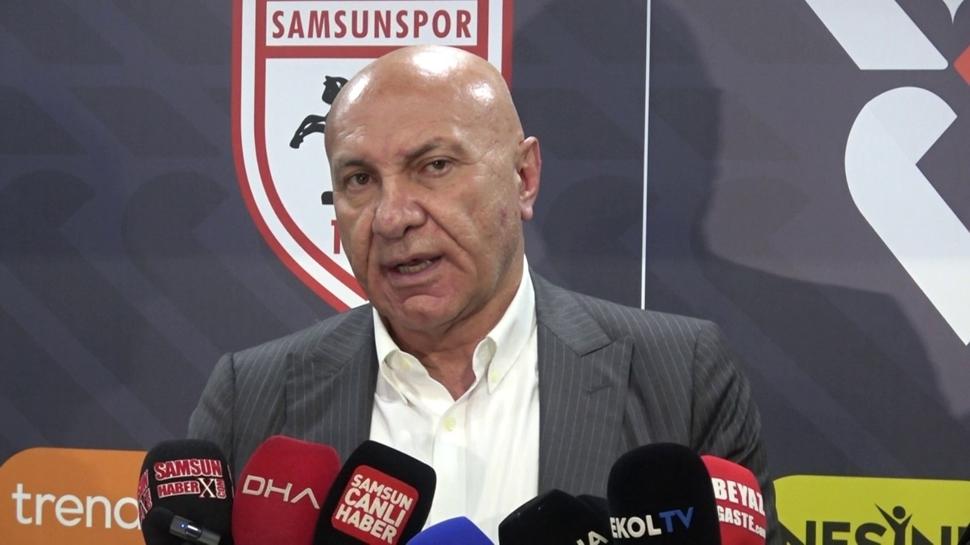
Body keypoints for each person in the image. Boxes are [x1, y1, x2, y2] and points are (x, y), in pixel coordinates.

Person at [188, 45, 777, 541]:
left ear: (524, 177)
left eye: (434, 166)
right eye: (359, 179)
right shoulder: (251, 397)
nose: (392, 217)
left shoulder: (681, 376)